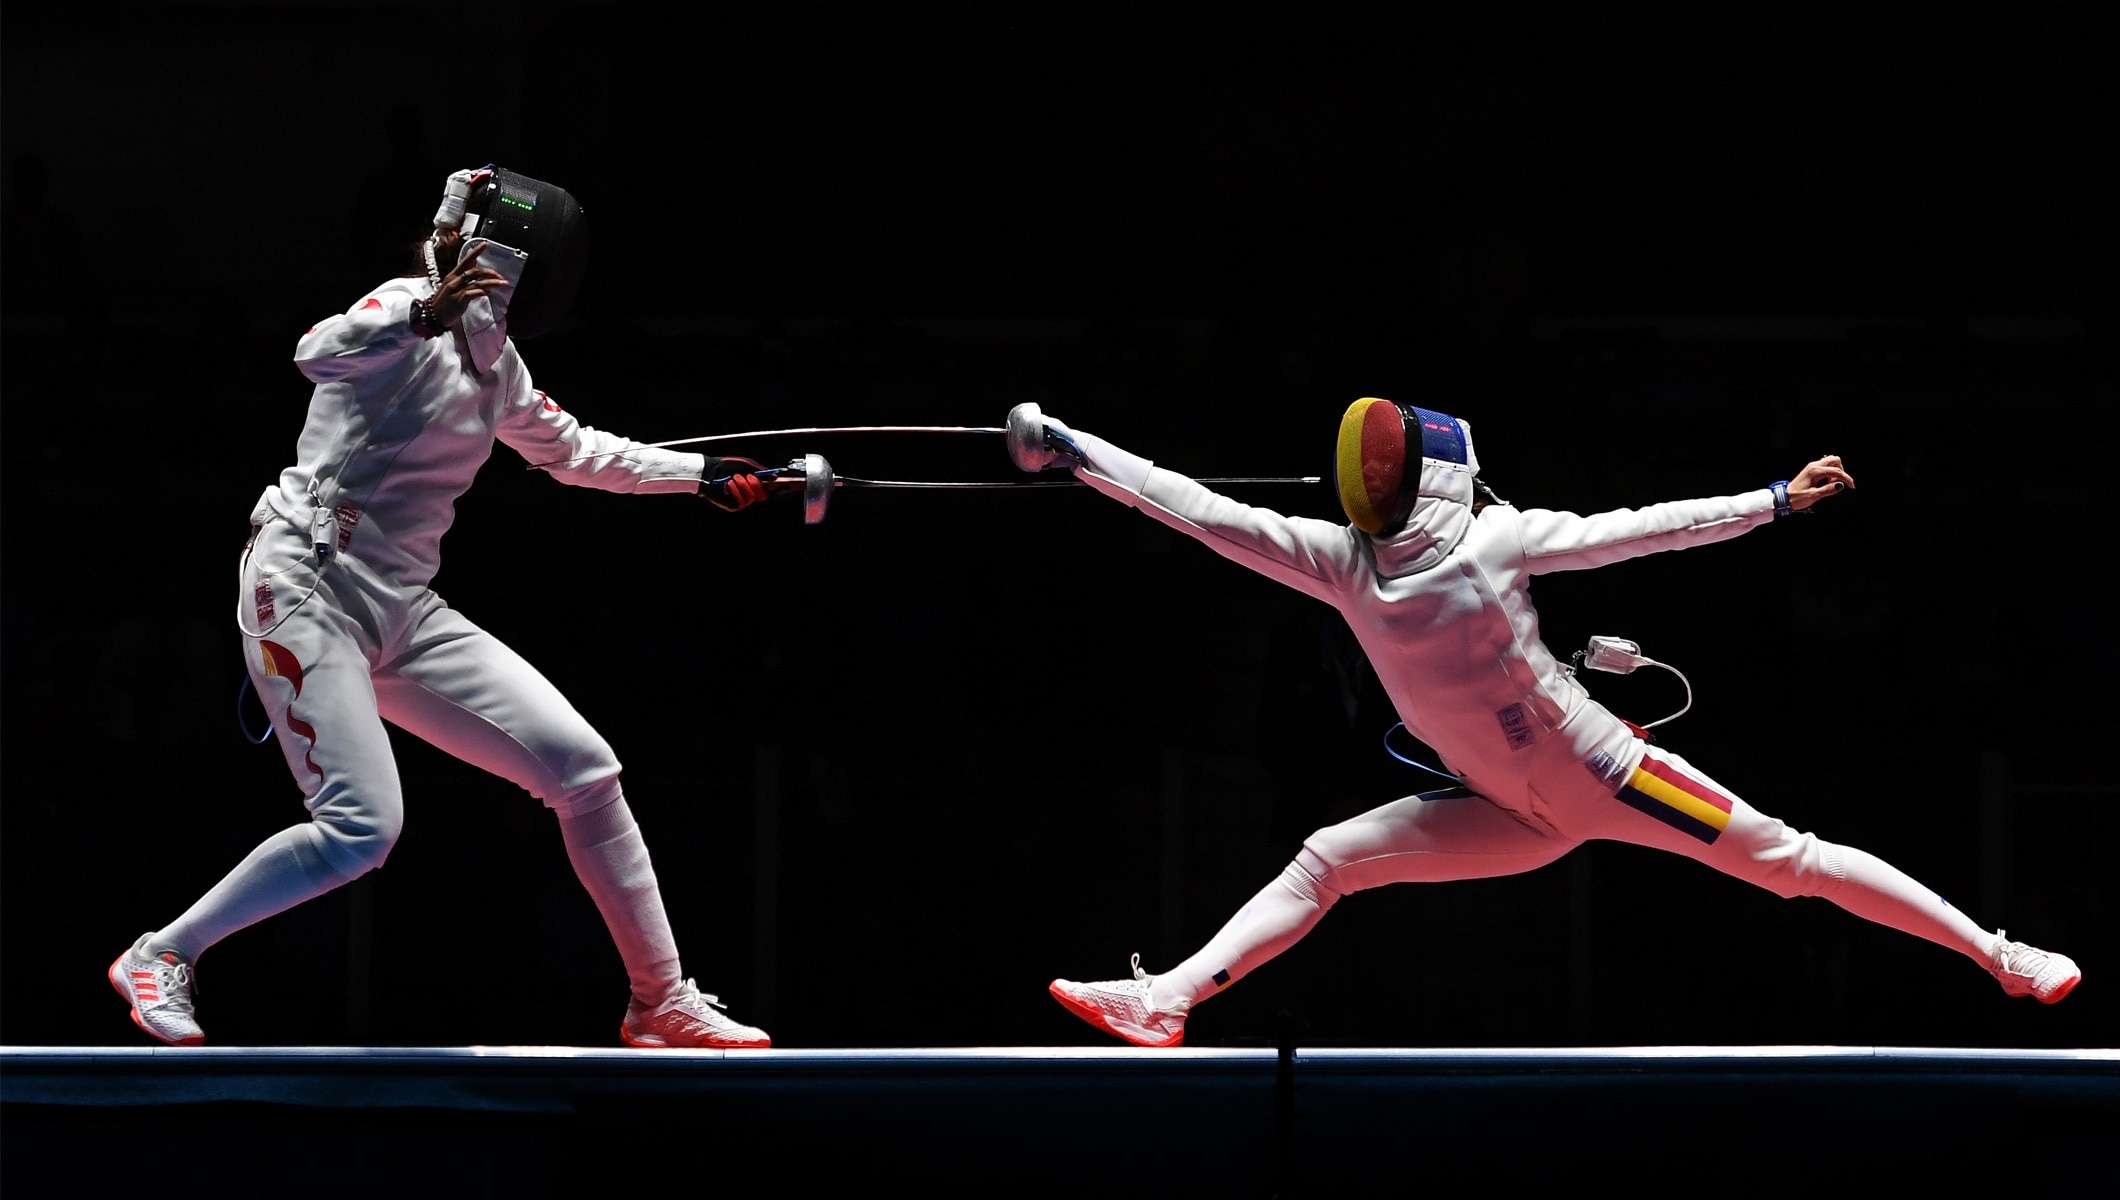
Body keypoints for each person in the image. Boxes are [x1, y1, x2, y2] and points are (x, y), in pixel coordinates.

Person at [1010, 398, 2082, 1047]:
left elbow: (1645, 531)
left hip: (1616, 774)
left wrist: (1771, 501)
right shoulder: (1397, 554)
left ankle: (1999, 956)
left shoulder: (1403, 556)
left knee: (1789, 861)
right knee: (1326, 861)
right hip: (1514, 809)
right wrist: (1075, 451)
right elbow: (1193, 507)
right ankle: (1169, 1002)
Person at [109, 166, 776, 1049]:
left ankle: (660, 1001)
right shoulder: (399, 312)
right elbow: (316, 350)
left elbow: (577, 454)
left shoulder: (498, 367)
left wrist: (700, 479)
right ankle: (163, 953)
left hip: (401, 609)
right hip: (304, 591)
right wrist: (424, 311)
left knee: (584, 770)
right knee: (361, 829)